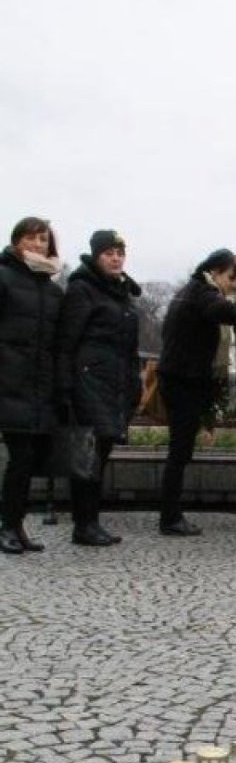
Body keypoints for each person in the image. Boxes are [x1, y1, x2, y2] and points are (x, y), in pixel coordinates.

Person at [157, 248, 236, 536]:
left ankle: (171, 513)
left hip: (178, 377)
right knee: (179, 452)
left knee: (179, 451)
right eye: (231, 277)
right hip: (184, 381)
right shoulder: (203, 293)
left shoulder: (188, 290)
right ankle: (170, 517)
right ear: (216, 271)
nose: (231, 284)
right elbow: (224, 311)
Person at [56, 229, 141, 546]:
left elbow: (128, 349)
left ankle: (91, 521)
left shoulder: (122, 294)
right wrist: (65, 387)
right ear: (96, 256)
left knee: (99, 455)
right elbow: (66, 342)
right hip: (88, 383)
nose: (116, 258)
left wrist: (133, 384)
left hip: (113, 385)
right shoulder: (82, 290)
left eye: (120, 253)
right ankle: (84, 524)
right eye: (109, 253)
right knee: (86, 457)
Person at [0, 217, 63, 555]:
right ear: (17, 240)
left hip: (40, 387)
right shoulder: (4, 276)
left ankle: (16, 524)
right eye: (32, 238)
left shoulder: (52, 288)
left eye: (44, 239)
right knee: (20, 457)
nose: (39, 245)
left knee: (30, 460)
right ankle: (8, 525)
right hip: (10, 382)